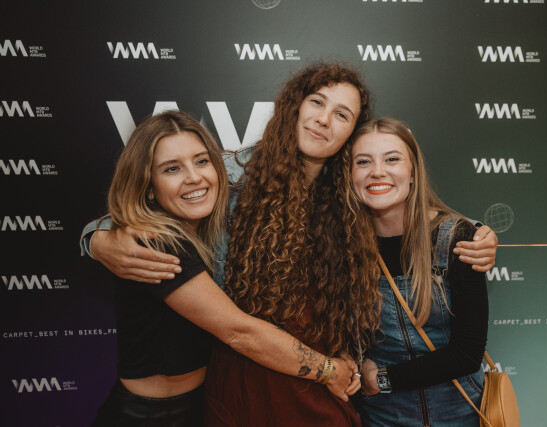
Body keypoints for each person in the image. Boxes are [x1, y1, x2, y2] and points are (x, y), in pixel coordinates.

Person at [81, 64, 498, 426]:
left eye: (342, 114)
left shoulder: (349, 195)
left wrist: (476, 233)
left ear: (351, 133)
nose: (323, 120)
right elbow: (145, 204)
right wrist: (98, 239)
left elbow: (407, 206)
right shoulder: (232, 172)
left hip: (321, 392)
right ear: (295, 105)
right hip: (242, 382)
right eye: (317, 102)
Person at [91, 110, 357, 427]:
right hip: (149, 417)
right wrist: (328, 370)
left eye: (202, 161)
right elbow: (239, 332)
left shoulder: (211, 232)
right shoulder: (156, 242)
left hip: (202, 405)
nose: (194, 177)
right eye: (172, 168)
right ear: (148, 186)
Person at [345, 118, 489, 426]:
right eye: (363, 161)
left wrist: (382, 379)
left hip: (460, 412)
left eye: (392, 159)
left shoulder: (457, 237)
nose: (377, 171)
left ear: (413, 172)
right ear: (350, 174)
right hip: (381, 416)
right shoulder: (341, 247)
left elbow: (467, 353)